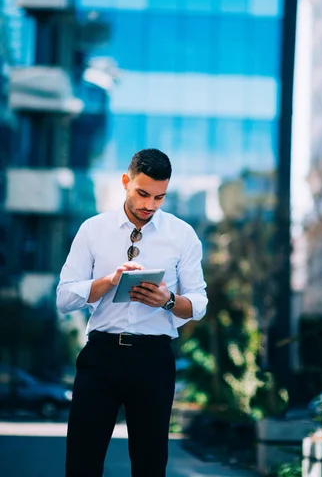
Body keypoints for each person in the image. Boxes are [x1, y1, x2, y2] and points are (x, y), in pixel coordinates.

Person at [57, 148, 208, 477]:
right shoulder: (93, 229)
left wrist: (167, 300)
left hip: (153, 360)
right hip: (101, 355)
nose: (149, 206)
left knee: (150, 464)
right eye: (142, 194)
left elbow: (198, 303)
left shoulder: (182, 235)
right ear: (125, 181)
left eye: (159, 197)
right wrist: (109, 281)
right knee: (82, 461)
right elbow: (65, 297)